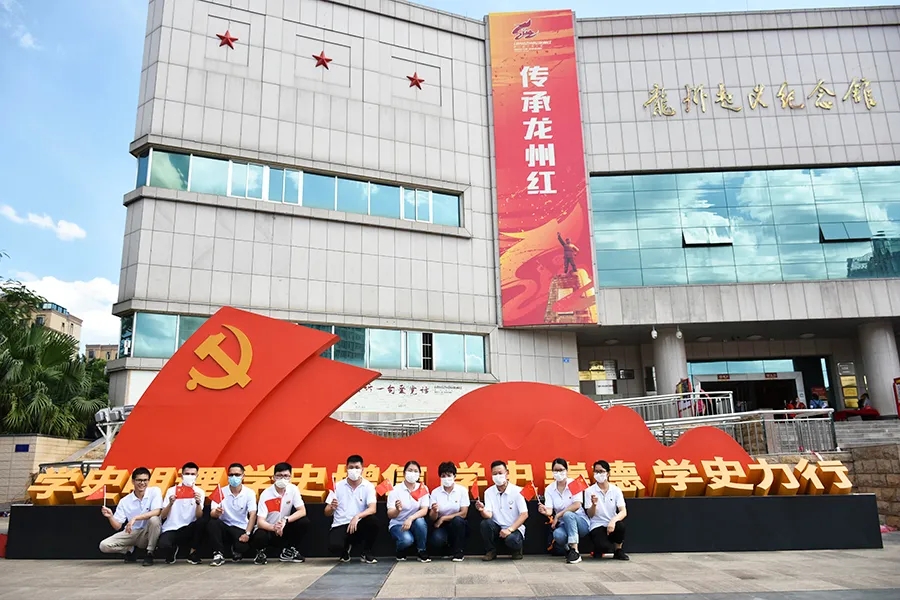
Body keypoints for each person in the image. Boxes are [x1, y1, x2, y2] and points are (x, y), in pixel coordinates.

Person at [99, 466, 163, 566]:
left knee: (154, 520)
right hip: (131, 533)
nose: (142, 483)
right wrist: (110, 516)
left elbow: (157, 511)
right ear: (133, 481)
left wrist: (135, 518)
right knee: (104, 545)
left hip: (147, 532)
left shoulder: (155, 491)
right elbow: (117, 526)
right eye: (139, 480)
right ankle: (130, 550)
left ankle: (149, 553)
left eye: (145, 480)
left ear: (148, 481)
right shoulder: (125, 501)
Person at [250, 462, 311, 565]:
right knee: (260, 535)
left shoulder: (293, 489)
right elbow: (260, 522)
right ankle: (260, 553)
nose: (282, 479)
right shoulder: (266, 494)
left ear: (290, 477)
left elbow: (302, 511)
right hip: (269, 528)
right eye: (279, 476)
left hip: (284, 527)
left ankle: (288, 551)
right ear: (273, 477)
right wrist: (274, 527)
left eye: (286, 476)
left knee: (304, 522)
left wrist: (285, 520)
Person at [325, 454, 378, 564]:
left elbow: (372, 509)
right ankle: (345, 550)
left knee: (373, 521)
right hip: (341, 524)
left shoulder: (368, 486)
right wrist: (331, 507)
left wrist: (357, 516)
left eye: (357, 467)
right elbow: (326, 512)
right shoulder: (337, 486)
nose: (354, 470)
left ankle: (366, 552)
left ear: (362, 469)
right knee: (334, 546)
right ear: (346, 469)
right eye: (351, 467)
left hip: (359, 523)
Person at [538, 458, 589, 564]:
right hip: (564, 525)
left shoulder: (574, 484)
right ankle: (569, 550)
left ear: (566, 470)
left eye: (561, 470)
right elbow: (550, 510)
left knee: (568, 515)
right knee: (558, 535)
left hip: (581, 522)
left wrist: (558, 515)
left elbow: (577, 505)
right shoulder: (549, 489)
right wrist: (544, 510)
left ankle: (575, 551)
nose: (558, 473)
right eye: (555, 470)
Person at [475, 460, 528, 561]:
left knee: (512, 540)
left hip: (514, 528)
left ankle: (517, 550)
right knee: (485, 524)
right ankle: (491, 551)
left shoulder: (517, 491)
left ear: (507, 473)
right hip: (497, 527)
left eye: (500, 473)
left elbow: (524, 514)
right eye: (495, 474)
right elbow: (489, 515)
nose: (497, 476)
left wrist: (509, 530)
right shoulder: (488, 492)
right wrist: (482, 510)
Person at [207, 463, 257, 567]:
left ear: (243, 476)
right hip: (224, 526)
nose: (234, 477)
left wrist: (247, 533)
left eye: (237, 475)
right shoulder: (220, 491)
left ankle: (236, 550)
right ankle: (218, 554)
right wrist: (217, 512)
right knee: (212, 523)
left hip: (240, 527)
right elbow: (212, 512)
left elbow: (252, 514)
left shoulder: (249, 493)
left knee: (242, 547)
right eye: (231, 475)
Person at [157, 461, 206, 565]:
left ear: (197, 476)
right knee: (163, 545)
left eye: (192, 474)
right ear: (181, 475)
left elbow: (199, 516)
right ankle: (173, 549)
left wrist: (198, 503)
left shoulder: (200, 492)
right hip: (172, 527)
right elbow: (163, 515)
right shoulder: (171, 491)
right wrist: (170, 503)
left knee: (202, 522)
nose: (189, 476)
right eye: (187, 474)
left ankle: (193, 553)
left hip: (189, 528)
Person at [387, 460, 431, 562]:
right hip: (398, 524)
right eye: (410, 470)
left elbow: (424, 510)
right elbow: (390, 514)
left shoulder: (422, 488)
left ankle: (422, 550)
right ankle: (400, 549)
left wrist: (411, 518)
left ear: (419, 474)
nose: (412, 473)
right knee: (407, 540)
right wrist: (397, 510)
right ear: (404, 473)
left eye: (415, 471)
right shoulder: (395, 490)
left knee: (420, 521)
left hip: (414, 522)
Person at [584, 460, 628, 561]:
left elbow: (623, 511)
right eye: (596, 472)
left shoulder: (616, 490)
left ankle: (618, 550)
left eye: (601, 471)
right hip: (597, 524)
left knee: (620, 526)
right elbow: (590, 514)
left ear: (608, 473)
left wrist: (613, 521)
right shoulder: (589, 491)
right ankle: (598, 549)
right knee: (604, 546)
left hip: (611, 523)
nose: (598, 474)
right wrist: (594, 505)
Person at [428, 461, 469, 562]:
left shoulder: (462, 490)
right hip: (441, 525)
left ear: (454, 476)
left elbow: (464, 513)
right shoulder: (435, 492)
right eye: (443, 476)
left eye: (449, 475)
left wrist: (443, 518)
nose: (446, 478)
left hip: (457, 523)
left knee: (458, 520)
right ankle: (446, 548)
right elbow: (432, 518)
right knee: (437, 539)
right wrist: (434, 511)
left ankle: (459, 551)